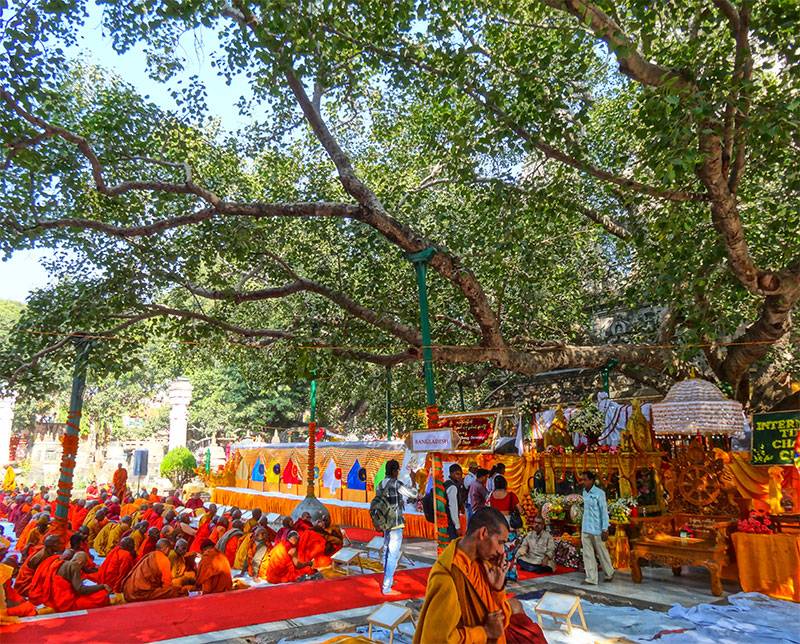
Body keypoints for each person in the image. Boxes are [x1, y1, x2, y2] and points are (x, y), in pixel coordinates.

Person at [413, 508, 545, 644]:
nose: (501, 551)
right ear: (483, 533)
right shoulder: (448, 576)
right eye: (500, 542)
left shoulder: (483, 563)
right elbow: (437, 640)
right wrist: (484, 632)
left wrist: (497, 589)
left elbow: (499, 622)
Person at [376, 459, 418, 595]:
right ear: (395, 471)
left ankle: (387, 579)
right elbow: (414, 494)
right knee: (393, 554)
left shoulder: (380, 484)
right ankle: (386, 585)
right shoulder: (396, 484)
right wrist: (413, 480)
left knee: (387, 550)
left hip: (384, 523)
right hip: (395, 523)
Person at [122, 539, 186, 602]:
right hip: (140, 593)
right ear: (166, 549)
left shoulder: (150, 555)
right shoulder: (164, 559)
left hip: (128, 591)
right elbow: (167, 585)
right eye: (169, 549)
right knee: (176, 591)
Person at [580, 470, 614, 585]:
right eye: (582, 479)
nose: (583, 482)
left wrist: (605, 528)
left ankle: (609, 573)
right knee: (587, 553)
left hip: (597, 528)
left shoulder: (599, 493)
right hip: (585, 527)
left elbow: (604, 512)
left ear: (591, 480)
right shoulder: (584, 492)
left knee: (601, 552)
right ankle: (591, 578)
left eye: (585, 479)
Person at [445, 464, 466, 541]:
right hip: (450, 521)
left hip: (445, 519)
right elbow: (453, 507)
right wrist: (457, 527)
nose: (459, 477)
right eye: (457, 474)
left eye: (460, 474)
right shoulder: (452, 487)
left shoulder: (445, 483)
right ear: (451, 473)